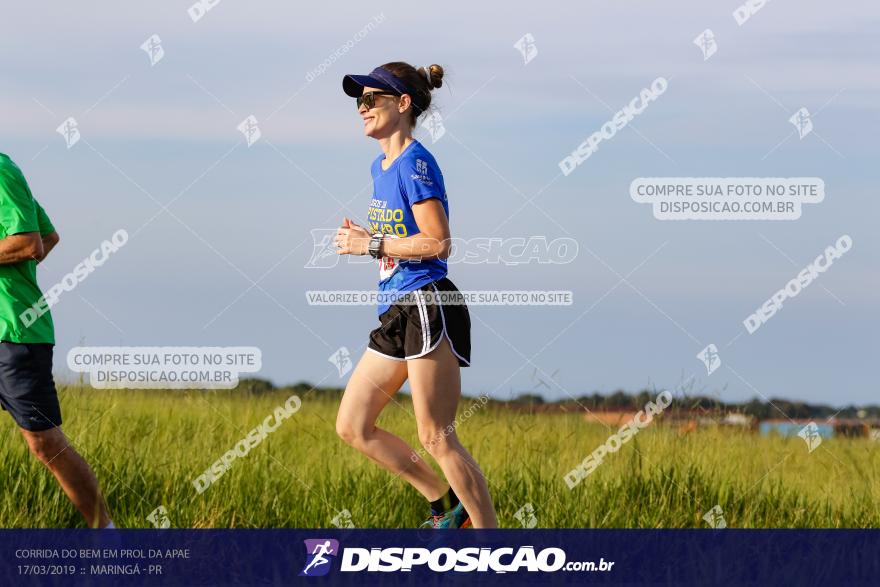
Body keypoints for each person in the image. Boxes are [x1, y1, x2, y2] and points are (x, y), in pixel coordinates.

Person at [334, 62, 497, 528]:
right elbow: (404, 240)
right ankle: (446, 508)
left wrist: (372, 244)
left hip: (426, 303)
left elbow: (438, 242)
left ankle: (494, 549)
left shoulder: (416, 162)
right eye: (357, 101)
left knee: (437, 436)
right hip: (396, 312)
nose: (361, 108)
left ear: (402, 104)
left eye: (371, 99)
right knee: (353, 426)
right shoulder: (380, 165)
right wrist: (372, 240)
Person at [0, 152, 113, 528]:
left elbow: (32, 242)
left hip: (15, 331)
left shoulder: (1, 169)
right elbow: (49, 236)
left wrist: (16, 275)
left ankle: (108, 537)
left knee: (44, 443)